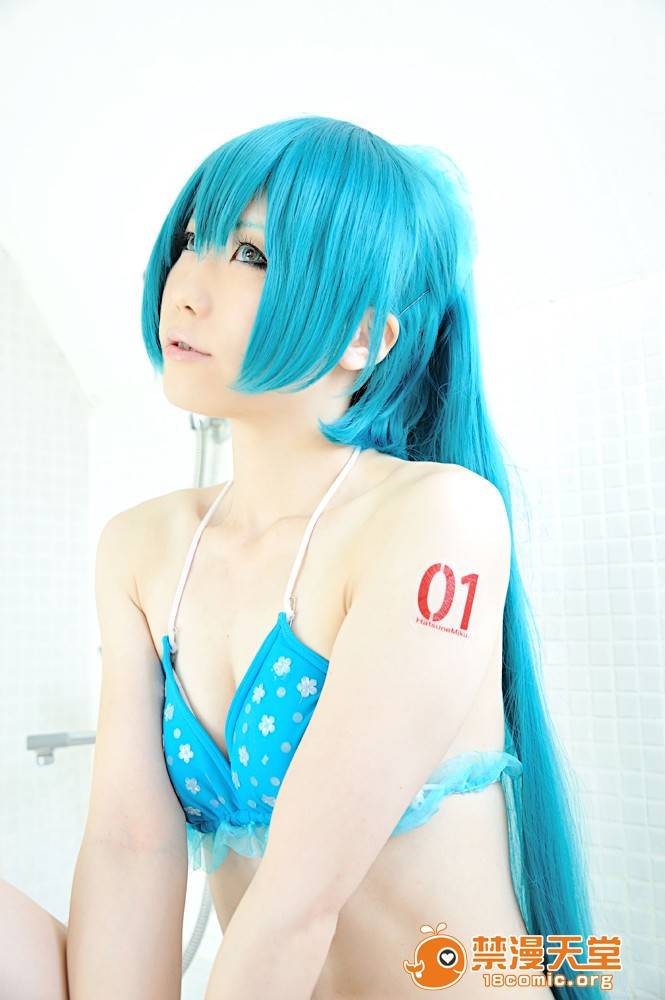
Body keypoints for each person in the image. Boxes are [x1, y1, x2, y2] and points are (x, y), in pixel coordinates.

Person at [7, 116, 599, 1000]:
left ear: (362, 337)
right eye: (192, 242)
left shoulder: (436, 516)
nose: (186, 288)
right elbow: (131, 845)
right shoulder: (140, 547)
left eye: (250, 256)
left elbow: (297, 897)